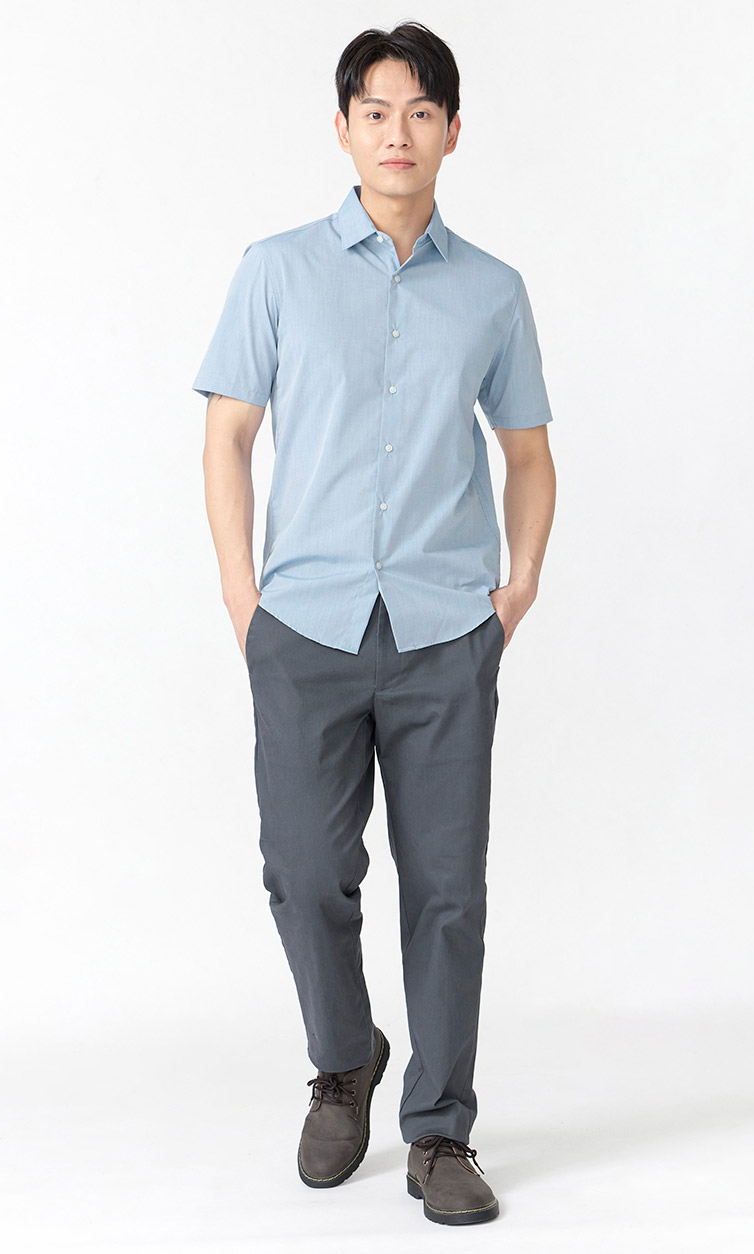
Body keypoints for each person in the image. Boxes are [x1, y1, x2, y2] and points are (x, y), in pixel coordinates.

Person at [192, 21, 556, 1227]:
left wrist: (516, 590)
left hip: (448, 630)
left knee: (448, 892)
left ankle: (439, 1132)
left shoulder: (492, 291)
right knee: (303, 873)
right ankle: (344, 1062)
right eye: (376, 111)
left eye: (420, 112)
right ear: (343, 129)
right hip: (304, 627)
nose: (398, 133)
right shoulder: (276, 271)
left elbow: (527, 454)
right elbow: (228, 437)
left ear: (451, 132)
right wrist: (243, 601)